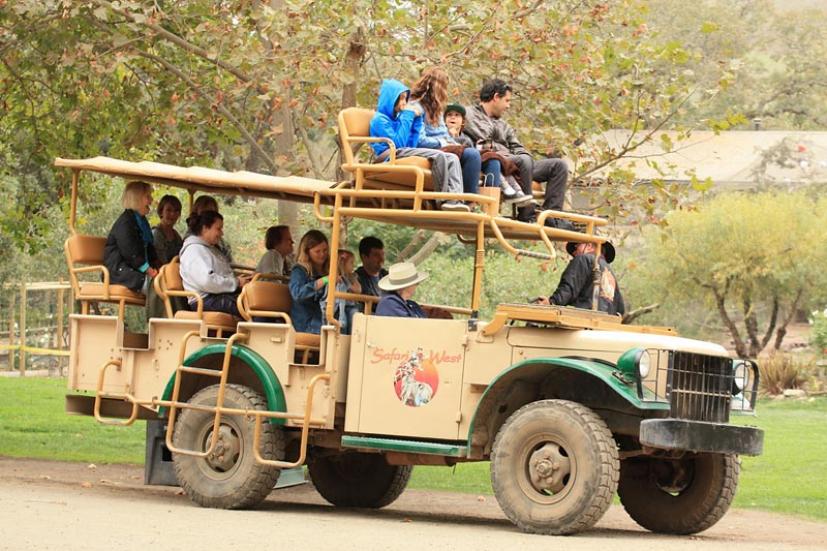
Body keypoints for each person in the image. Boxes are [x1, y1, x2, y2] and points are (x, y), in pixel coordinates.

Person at [463, 79, 570, 227]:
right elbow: (483, 138)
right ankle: (527, 215)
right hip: (492, 162)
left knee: (558, 165)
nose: (508, 105)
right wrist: (517, 157)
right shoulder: (468, 114)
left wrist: (526, 158)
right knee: (523, 161)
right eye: (506, 101)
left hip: (517, 164)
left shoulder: (504, 124)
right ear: (495, 97)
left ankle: (552, 218)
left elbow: (518, 147)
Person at [369, 78, 470, 212]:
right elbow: (397, 144)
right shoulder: (379, 120)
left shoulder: (399, 118)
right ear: (390, 99)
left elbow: (411, 143)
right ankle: (443, 199)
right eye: (401, 99)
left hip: (403, 151)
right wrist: (408, 115)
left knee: (451, 157)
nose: (404, 103)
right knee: (440, 156)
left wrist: (417, 122)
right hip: (390, 154)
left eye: (405, 99)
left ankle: (456, 199)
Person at [409, 68, 482, 197]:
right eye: (444, 88)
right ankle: (468, 201)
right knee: (472, 155)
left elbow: (444, 134)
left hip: (443, 146)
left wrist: (452, 142)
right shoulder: (416, 107)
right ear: (438, 88)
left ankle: (484, 201)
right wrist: (442, 142)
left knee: (488, 157)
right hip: (429, 149)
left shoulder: (437, 110)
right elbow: (419, 140)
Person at [444, 103, 527, 204]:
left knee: (493, 159)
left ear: (462, 121)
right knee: (481, 155)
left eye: (457, 115)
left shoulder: (467, 139)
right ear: (444, 120)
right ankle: (471, 202)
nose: (453, 117)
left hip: (470, 163)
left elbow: (474, 151)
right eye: (449, 115)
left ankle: (491, 204)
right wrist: (451, 136)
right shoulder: (442, 133)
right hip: (451, 162)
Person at [179, 210, 251, 317]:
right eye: (218, 229)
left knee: (258, 300)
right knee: (253, 307)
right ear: (205, 228)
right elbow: (207, 281)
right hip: (206, 300)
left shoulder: (209, 248)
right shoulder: (193, 250)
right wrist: (236, 283)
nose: (221, 233)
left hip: (217, 296)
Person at [537, 241, 625, 315]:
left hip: (586, 320)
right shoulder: (609, 271)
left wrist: (552, 302)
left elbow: (569, 288)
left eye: (577, 246)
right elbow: (620, 308)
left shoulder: (583, 259)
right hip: (606, 324)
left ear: (589, 246)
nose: (574, 253)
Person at [104, 181, 160, 294]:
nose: (151, 200)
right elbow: (131, 253)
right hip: (120, 272)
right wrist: (149, 271)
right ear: (136, 198)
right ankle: (159, 312)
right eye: (148, 197)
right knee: (158, 289)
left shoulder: (142, 222)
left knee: (167, 283)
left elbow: (149, 250)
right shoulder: (125, 223)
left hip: (135, 271)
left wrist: (161, 267)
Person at [289, 230, 330, 334]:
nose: (322, 254)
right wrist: (324, 280)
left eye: (325, 250)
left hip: (325, 319)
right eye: (317, 251)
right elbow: (297, 294)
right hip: (308, 323)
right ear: (307, 252)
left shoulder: (328, 270)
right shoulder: (300, 270)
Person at [320, 249, 362, 334]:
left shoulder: (351, 277)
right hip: (337, 307)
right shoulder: (333, 278)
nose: (353, 266)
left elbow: (358, 290)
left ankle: (352, 338)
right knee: (342, 322)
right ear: (342, 264)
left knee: (355, 316)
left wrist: (349, 284)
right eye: (351, 263)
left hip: (350, 306)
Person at [184, 195, 233, 262]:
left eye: (212, 213)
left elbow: (228, 259)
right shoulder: (192, 239)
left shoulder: (221, 241)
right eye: (204, 213)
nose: (208, 216)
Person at [152, 194, 183, 264]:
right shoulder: (157, 234)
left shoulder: (176, 236)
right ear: (161, 212)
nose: (172, 214)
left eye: (176, 211)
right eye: (168, 210)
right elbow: (160, 262)